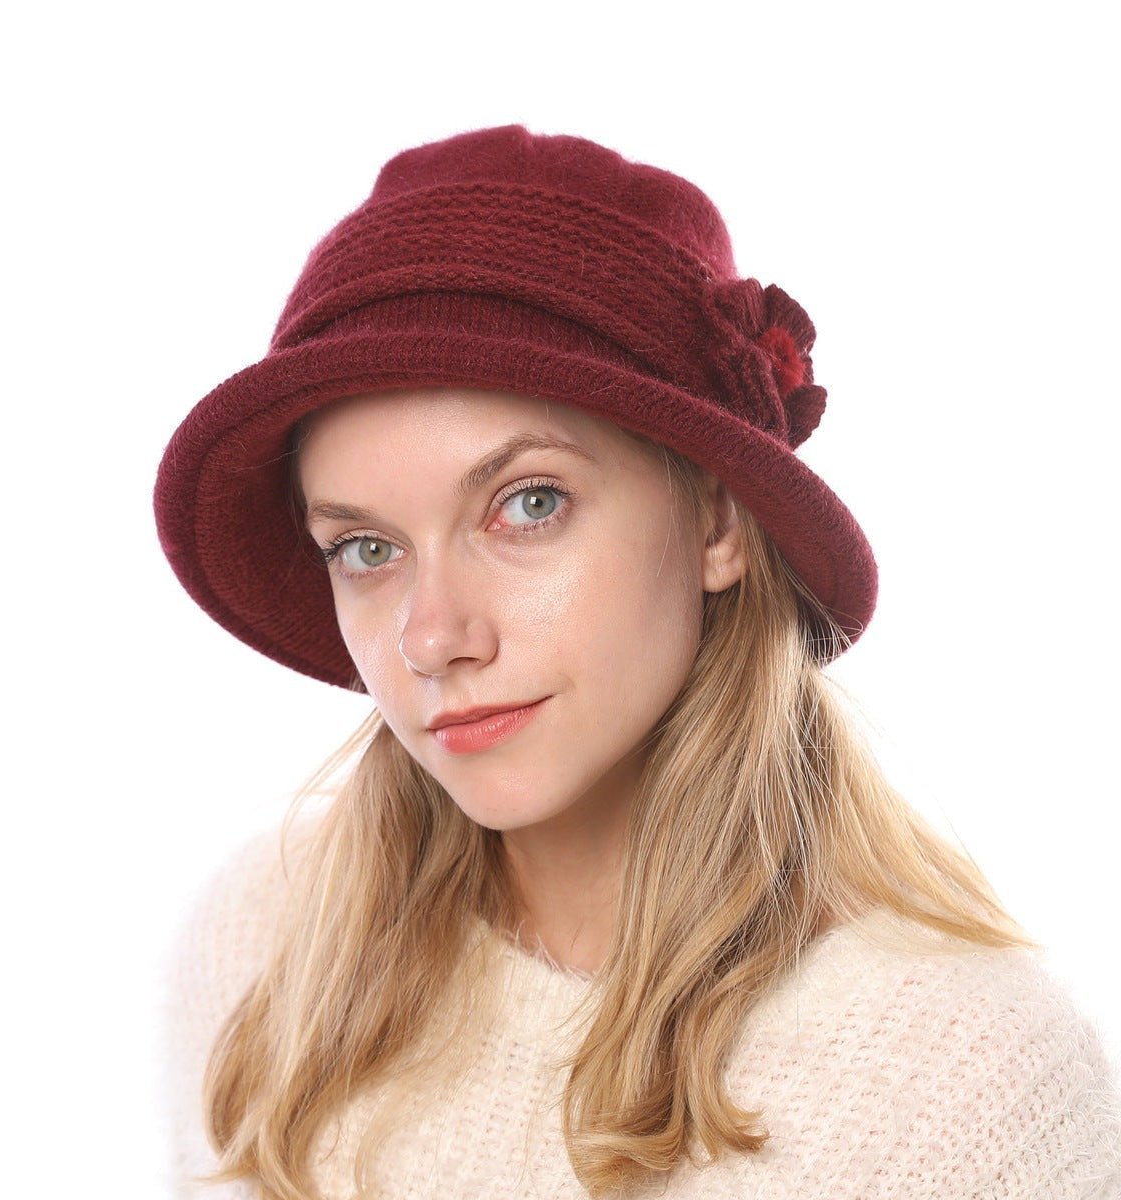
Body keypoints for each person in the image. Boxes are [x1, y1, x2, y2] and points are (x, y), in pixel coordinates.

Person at [153, 124, 1121, 1199]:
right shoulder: (266, 949)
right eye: (366, 549)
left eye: (528, 504)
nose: (432, 637)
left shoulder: (962, 1082)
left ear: (718, 522)